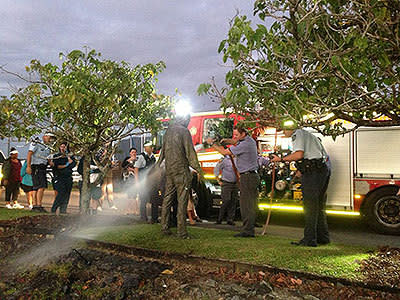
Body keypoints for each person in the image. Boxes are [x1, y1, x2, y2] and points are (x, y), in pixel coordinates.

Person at [271, 121, 330, 247]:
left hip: (314, 172)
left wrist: (280, 159)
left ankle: (309, 240)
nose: (284, 133)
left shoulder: (297, 134)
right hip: (321, 169)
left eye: (284, 130)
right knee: (318, 206)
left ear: (289, 128)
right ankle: (322, 237)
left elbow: (299, 154)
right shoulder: (307, 134)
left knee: (310, 207)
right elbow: (312, 155)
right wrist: (300, 170)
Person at [207, 126, 259, 237]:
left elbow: (224, 152)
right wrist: (226, 140)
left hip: (247, 177)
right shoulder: (249, 140)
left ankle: (248, 231)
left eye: (236, 135)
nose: (234, 137)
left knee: (246, 205)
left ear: (243, 133)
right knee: (250, 204)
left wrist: (212, 144)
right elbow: (235, 141)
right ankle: (249, 227)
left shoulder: (244, 145)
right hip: (251, 176)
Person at [157, 114, 203, 238]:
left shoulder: (168, 131)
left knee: (167, 199)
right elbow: (190, 153)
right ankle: (182, 232)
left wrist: (157, 166)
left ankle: (164, 227)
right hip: (181, 170)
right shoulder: (184, 131)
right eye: (188, 121)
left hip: (169, 170)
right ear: (185, 120)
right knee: (182, 201)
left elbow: (163, 152)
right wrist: (198, 169)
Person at [26, 133, 52, 212]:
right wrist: (28, 166)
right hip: (36, 166)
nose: (50, 139)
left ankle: (36, 205)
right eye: (49, 137)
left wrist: (50, 163)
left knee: (38, 187)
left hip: (43, 167)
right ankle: (37, 205)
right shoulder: (36, 143)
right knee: (40, 186)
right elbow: (29, 154)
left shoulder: (48, 147)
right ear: (44, 136)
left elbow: (47, 158)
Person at [51, 142, 76, 214]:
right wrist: (67, 164)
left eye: (64, 147)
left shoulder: (70, 156)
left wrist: (68, 158)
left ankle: (63, 210)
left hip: (68, 177)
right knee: (61, 193)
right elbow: (57, 166)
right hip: (59, 177)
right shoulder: (56, 156)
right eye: (61, 147)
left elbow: (73, 164)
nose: (62, 148)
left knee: (67, 194)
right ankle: (54, 208)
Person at [213, 154, 239, 226]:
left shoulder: (238, 159)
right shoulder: (224, 160)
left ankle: (230, 219)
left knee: (233, 201)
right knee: (226, 200)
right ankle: (219, 219)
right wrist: (218, 180)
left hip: (235, 183)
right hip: (226, 183)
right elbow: (216, 169)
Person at [134, 142, 156, 222]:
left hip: (152, 182)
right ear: (145, 148)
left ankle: (154, 218)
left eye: (152, 147)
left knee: (154, 199)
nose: (152, 148)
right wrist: (137, 182)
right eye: (150, 147)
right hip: (143, 182)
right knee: (143, 199)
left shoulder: (153, 157)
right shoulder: (141, 157)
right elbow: (136, 169)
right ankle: (143, 217)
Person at [121, 147, 139, 214]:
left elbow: (138, 169)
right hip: (128, 178)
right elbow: (123, 165)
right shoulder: (127, 159)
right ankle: (127, 210)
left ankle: (136, 210)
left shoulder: (138, 160)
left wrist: (133, 170)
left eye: (135, 152)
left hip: (135, 178)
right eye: (132, 152)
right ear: (130, 153)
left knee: (135, 196)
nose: (134, 153)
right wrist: (131, 159)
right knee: (128, 195)